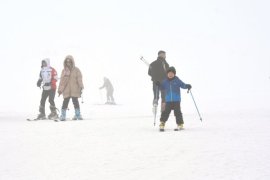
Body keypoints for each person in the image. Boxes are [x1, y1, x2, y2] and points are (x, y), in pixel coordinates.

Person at [157, 66, 192, 131]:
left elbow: (183, 85)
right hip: (168, 100)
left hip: (176, 100)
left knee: (177, 112)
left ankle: (180, 124)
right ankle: (162, 123)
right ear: (167, 74)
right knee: (165, 112)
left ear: (174, 74)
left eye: (172, 73)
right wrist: (159, 85)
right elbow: (161, 88)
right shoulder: (165, 81)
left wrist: (187, 86)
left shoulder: (177, 80)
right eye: (169, 73)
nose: (170, 75)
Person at [58, 55, 84, 120]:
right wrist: (60, 90)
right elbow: (62, 81)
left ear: (72, 62)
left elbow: (79, 78)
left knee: (75, 101)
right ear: (65, 62)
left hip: (74, 89)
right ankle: (63, 115)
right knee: (65, 102)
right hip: (66, 90)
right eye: (67, 62)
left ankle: (77, 114)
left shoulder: (76, 70)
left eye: (69, 62)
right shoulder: (64, 71)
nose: (68, 63)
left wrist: (81, 86)